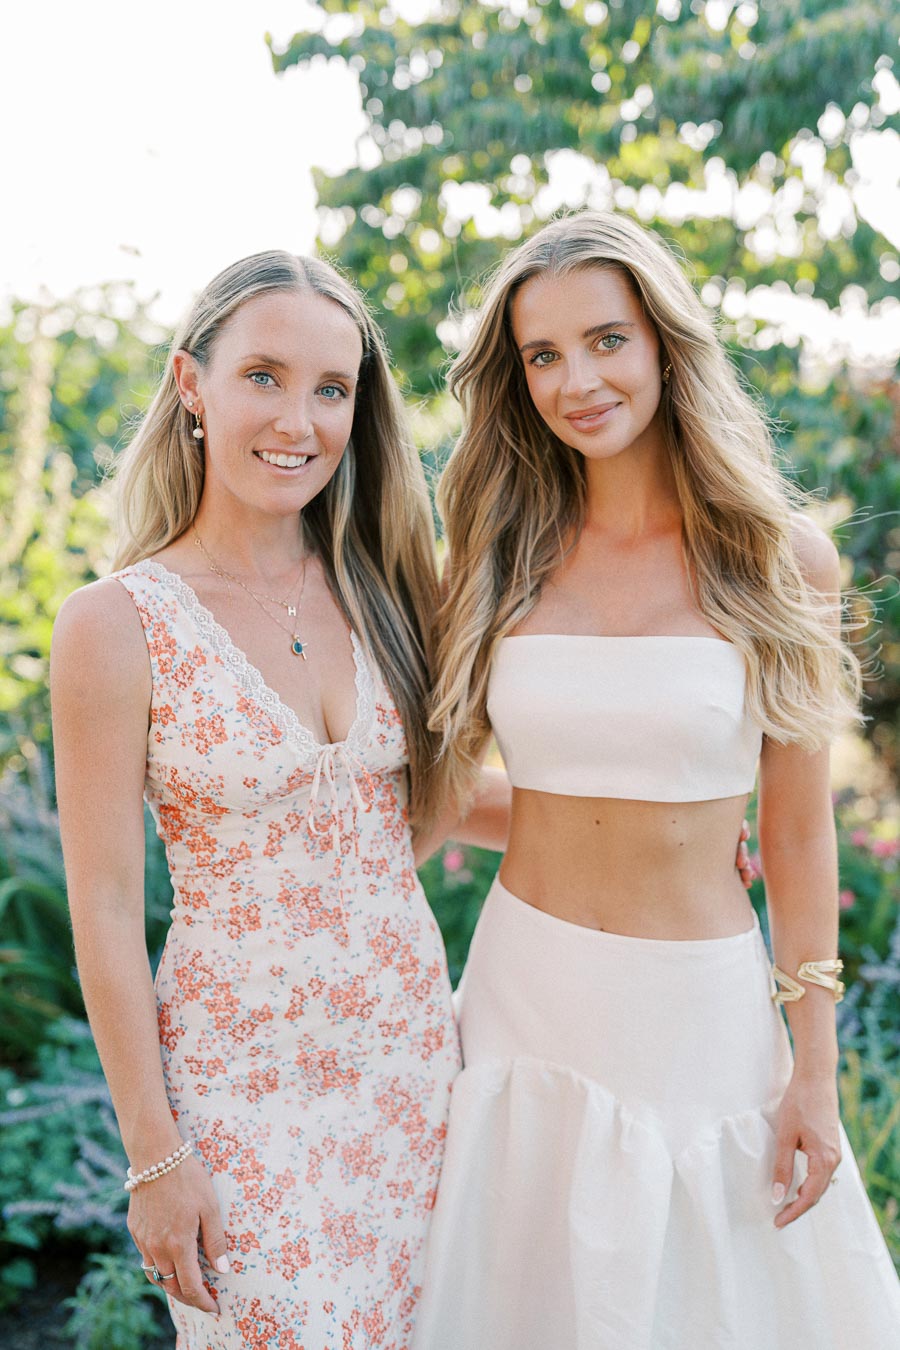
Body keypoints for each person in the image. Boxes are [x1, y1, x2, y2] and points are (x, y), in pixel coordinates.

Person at [413, 212, 900, 1348]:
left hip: (699, 1020)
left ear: (665, 344)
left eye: (605, 340)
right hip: (522, 1003)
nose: (576, 380)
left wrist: (814, 1068)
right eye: (542, 355)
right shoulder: (496, 554)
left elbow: (795, 833)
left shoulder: (779, 559)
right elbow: (447, 795)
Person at [50, 251, 509, 1349]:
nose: (296, 419)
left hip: (409, 1067)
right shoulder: (117, 624)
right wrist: (156, 1157)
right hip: (237, 1084)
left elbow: (424, 810)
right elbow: (106, 911)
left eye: (331, 388)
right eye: (262, 374)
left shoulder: (392, 587)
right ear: (189, 384)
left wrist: (669, 840)